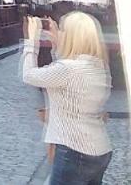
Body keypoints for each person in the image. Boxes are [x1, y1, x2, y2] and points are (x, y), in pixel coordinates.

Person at [23, 12, 112, 184]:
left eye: (63, 30)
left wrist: (31, 42)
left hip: (74, 151)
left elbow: (28, 75)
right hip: (100, 149)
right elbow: (65, 75)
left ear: (71, 36)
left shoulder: (67, 69)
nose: (59, 33)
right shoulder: (98, 66)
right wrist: (57, 45)